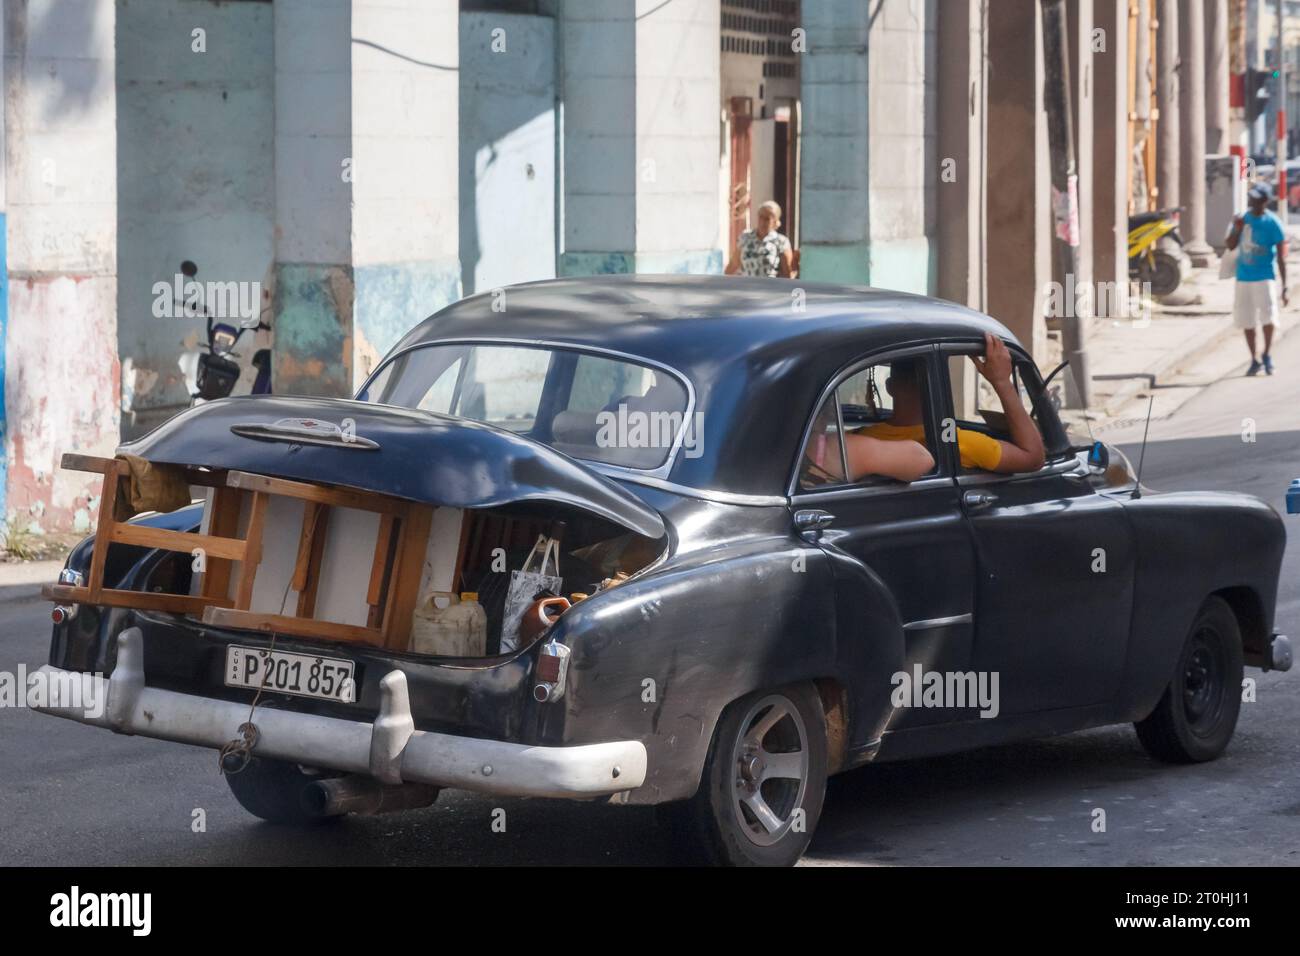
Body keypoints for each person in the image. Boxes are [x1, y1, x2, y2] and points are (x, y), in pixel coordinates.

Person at [859, 334, 1046, 475]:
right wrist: (1002, 382)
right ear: (939, 387)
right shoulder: (955, 441)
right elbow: (1033, 457)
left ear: (890, 387)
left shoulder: (860, 440)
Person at [1226, 183, 1288, 376]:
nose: (1251, 201)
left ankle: (1267, 354)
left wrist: (1285, 286)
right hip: (1243, 278)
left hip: (1264, 277)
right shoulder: (1242, 219)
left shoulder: (1273, 223)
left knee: (1268, 318)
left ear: (1264, 201)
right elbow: (1230, 245)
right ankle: (1254, 359)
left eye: (1255, 198)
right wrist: (1236, 228)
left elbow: (1281, 257)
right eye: (1250, 197)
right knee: (1247, 320)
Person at [725, 200, 794, 278]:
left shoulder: (781, 241)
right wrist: (721, 282)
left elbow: (787, 272)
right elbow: (733, 264)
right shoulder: (745, 238)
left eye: (767, 219)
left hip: (769, 287)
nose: (763, 222)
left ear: (775, 221)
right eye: (761, 217)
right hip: (747, 287)